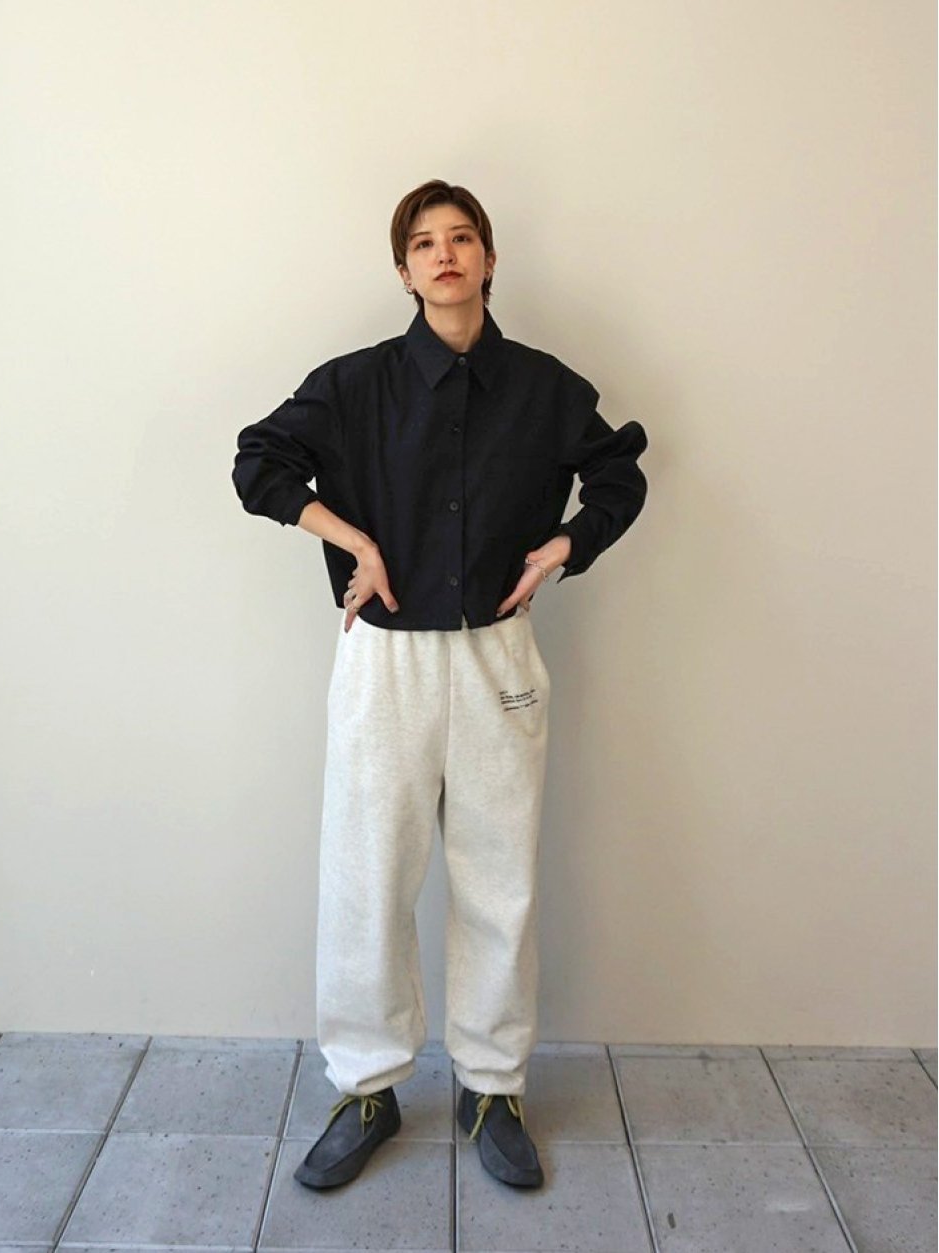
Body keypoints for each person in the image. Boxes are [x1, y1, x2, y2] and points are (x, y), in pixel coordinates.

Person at [231, 179, 649, 1191]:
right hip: (385, 660)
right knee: (367, 877)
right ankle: (367, 1085)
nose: (445, 254)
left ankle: (492, 1087)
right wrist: (354, 541)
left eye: (462, 238)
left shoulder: (544, 387)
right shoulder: (355, 384)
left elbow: (620, 474)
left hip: (497, 655)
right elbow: (258, 462)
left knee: (499, 880)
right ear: (404, 269)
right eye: (424, 243)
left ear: (490, 259)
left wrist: (565, 547)